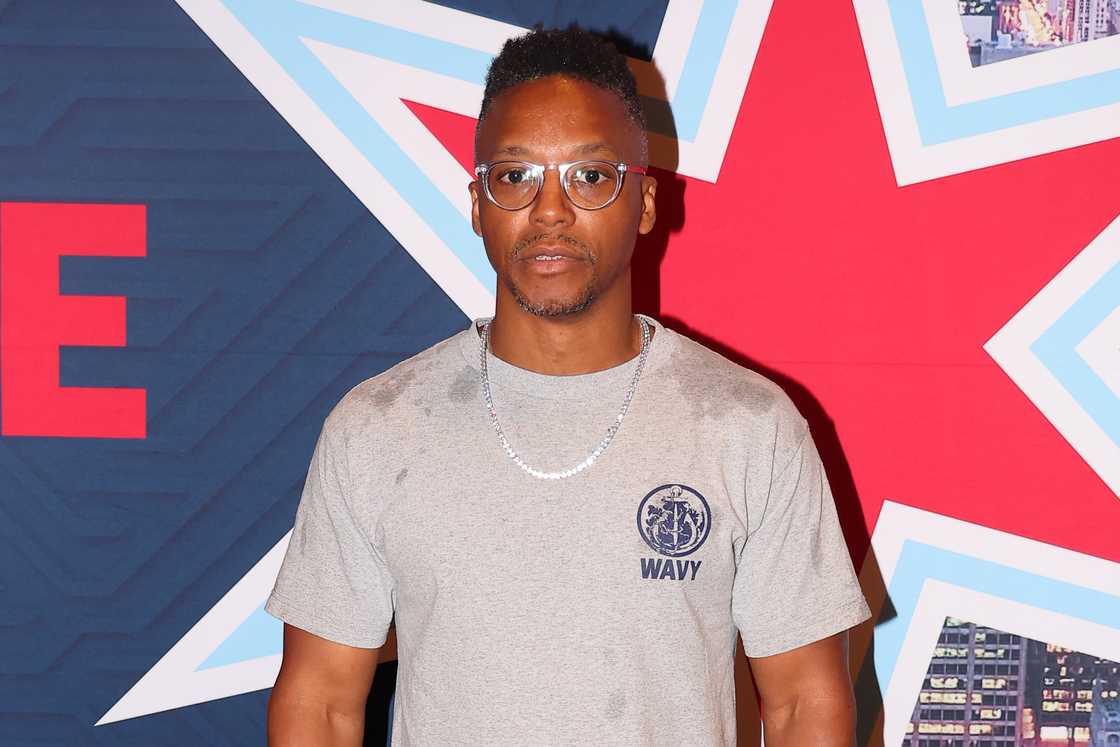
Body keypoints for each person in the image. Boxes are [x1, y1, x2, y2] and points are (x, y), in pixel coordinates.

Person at [265, 25, 871, 746]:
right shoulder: (376, 427)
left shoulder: (749, 426)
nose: (549, 211)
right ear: (477, 203)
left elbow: (805, 701)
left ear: (643, 203)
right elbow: (322, 702)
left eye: (589, 176)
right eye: (516, 176)